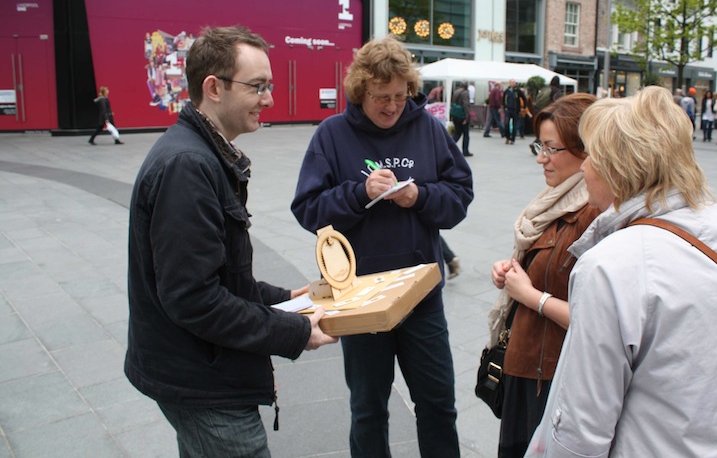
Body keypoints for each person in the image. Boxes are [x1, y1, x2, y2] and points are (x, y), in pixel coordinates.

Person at [526, 86, 717, 457]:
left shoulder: (610, 264)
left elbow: (582, 424)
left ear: (619, 167)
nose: (584, 167)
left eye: (593, 155)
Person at [125, 25, 337, 457]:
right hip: (203, 381)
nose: (269, 100)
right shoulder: (188, 166)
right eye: (258, 87)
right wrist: (294, 331)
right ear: (213, 88)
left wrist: (284, 298)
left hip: (201, 371)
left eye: (270, 86)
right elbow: (193, 299)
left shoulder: (202, 154)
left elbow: (216, 278)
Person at [291, 35, 473, 458]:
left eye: (398, 95)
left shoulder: (427, 128)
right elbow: (307, 208)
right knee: (369, 411)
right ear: (360, 92)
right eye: (380, 98)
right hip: (360, 300)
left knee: (438, 405)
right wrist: (358, 193)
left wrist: (419, 197)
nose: (391, 106)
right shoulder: (332, 135)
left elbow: (460, 195)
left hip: (420, 296)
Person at [488, 93, 600, 458]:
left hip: (551, 378)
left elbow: (597, 319)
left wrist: (529, 295)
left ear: (587, 151)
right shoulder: (553, 201)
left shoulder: (594, 216)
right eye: (540, 146)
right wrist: (512, 274)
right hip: (527, 364)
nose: (540, 158)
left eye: (551, 148)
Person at [450, 81, 473, 156]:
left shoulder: (456, 91)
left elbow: (452, 103)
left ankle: (448, 147)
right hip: (462, 115)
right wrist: (467, 117)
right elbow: (466, 105)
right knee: (466, 134)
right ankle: (465, 151)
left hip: (455, 115)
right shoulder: (465, 93)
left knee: (457, 133)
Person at [504, 79, 522, 145]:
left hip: (515, 110)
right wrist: (504, 107)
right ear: (509, 83)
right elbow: (503, 100)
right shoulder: (506, 91)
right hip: (508, 110)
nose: (513, 83)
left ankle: (513, 139)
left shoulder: (517, 91)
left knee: (514, 126)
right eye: (511, 82)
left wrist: (522, 107)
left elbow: (523, 98)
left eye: (514, 82)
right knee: (506, 123)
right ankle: (507, 137)